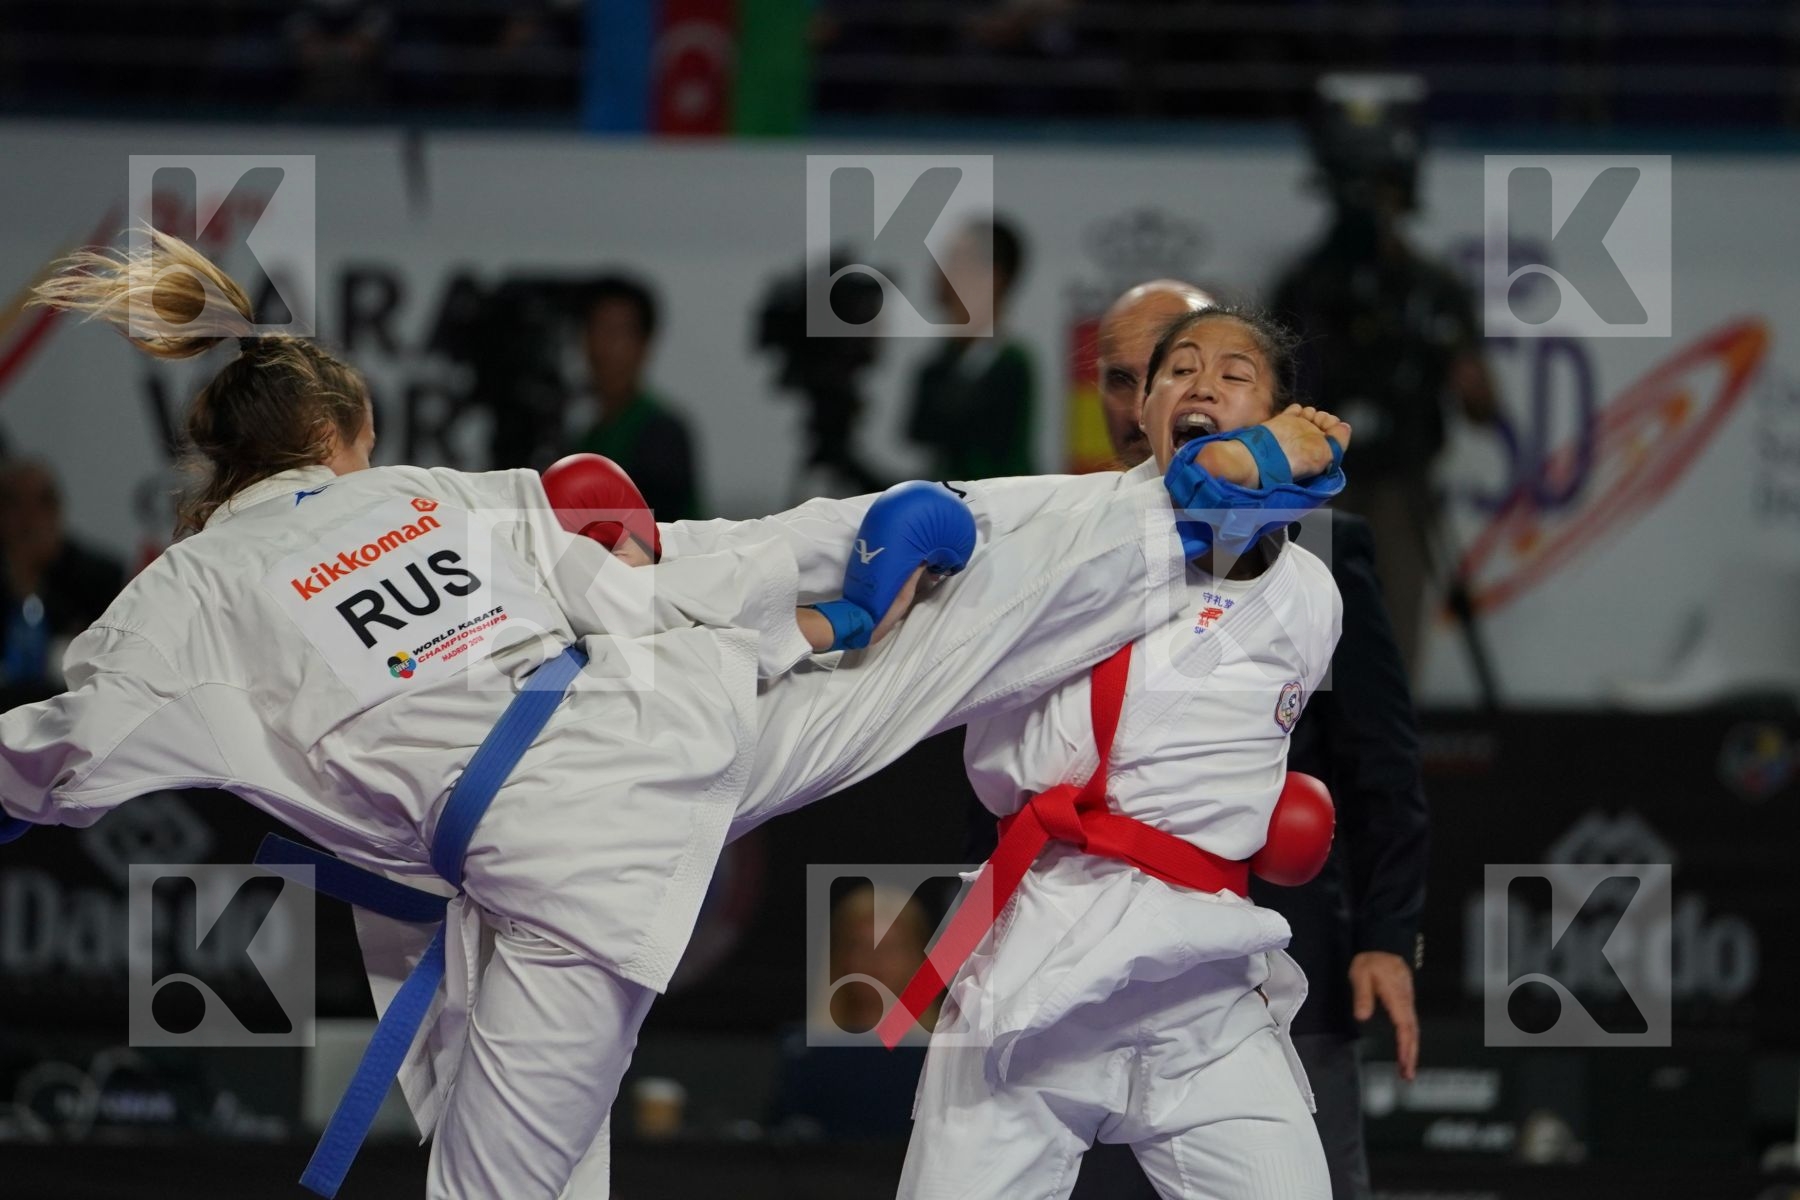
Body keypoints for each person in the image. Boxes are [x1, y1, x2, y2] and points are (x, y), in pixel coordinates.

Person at [0, 233, 1204, 1200]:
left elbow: (72, 746)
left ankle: (983, 565)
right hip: (658, 725)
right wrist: (810, 608)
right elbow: (653, 581)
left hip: (547, 855)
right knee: (939, 646)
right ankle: (1181, 507)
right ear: (340, 441)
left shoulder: (187, 585)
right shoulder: (435, 496)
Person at [658, 304, 1352, 1200]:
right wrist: (672, 556)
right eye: (1177, 369)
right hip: (1043, 962)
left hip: (1205, 985)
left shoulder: (1312, 599)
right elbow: (862, 526)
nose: (1202, 383)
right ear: (1142, 413)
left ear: (1282, 414)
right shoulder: (1055, 523)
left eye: (1233, 372)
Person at [1074, 278, 1428, 1200]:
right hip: (1073, 961)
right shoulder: (1065, 538)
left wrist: (1388, 933)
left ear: (1265, 408)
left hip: (1269, 951)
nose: (1169, 392)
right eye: (1135, 376)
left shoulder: (1319, 555)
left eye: (1212, 371)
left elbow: (1379, 758)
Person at [1270, 75, 1495, 681]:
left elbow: (1482, 404)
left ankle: (1387, 762)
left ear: (1404, 196)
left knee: (1392, 639)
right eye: (1356, 191)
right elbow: (1271, 396)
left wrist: (1463, 375)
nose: (1369, 208)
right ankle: (1306, 761)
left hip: (1402, 482)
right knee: (1308, 638)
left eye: (1381, 193)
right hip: (1315, 487)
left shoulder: (1431, 288)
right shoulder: (1305, 285)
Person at [906, 216, 1037, 479]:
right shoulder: (936, 366)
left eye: (957, 263)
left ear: (995, 277)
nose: (942, 276)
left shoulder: (1012, 365)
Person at [570, 274, 701, 520]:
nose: (602, 346)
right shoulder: (589, 435)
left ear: (644, 344)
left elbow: (651, 539)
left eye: (616, 332)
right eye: (594, 329)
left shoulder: (662, 431)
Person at [0, 459, 125, 699]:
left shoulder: (100, 577)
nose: (28, 519)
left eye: (41, 504)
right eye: (15, 504)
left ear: (57, 509)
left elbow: (107, 661)